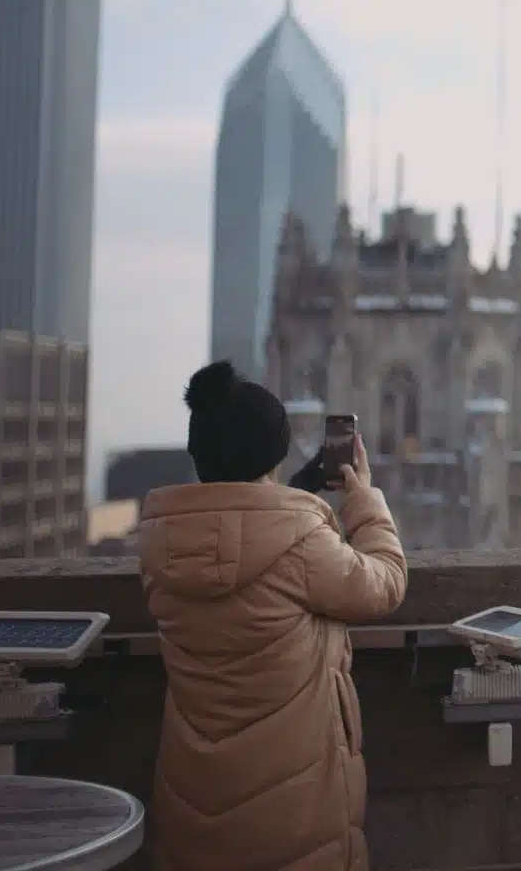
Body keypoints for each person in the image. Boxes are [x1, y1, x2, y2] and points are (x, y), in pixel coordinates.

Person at [138, 361, 408, 871]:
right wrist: (363, 500)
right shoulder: (303, 548)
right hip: (295, 822)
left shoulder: (159, 545)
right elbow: (385, 582)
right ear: (275, 453)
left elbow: (235, 540)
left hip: (193, 809)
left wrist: (292, 497)